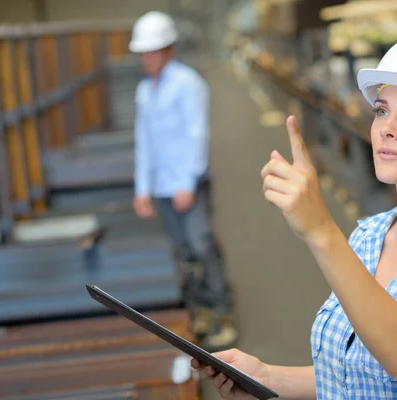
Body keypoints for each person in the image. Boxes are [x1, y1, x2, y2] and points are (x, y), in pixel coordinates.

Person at [192, 30, 397, 399]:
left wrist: (321, 229)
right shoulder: (369, 236)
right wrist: (266, 377)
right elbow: (357, 375)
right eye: (382, 110)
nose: (386, 129)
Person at [129, 11, 237, 351]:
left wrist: (187, 183)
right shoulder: (145, 91)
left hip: (187, 186)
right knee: (183, 252)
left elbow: (196, 133)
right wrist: (142, 188)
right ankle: (201, 310)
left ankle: (224, 313)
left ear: (168, 49)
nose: (146, 58)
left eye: (152, 51)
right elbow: (144, 141)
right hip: (162, 188)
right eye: (142, 53)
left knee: (202, 245)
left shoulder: (187, 83)